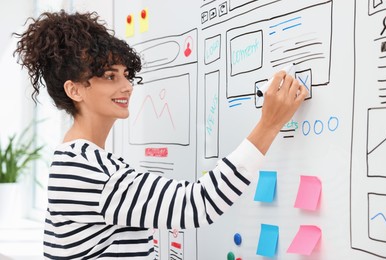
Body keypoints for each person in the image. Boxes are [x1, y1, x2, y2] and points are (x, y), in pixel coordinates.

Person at [14, 10, 308, 260]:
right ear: (74, 89)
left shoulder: (76, 160)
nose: (128, 86)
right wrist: (269, 125)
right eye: (110, 76)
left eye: (126, 74)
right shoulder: (90, 170)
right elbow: (197, 204)